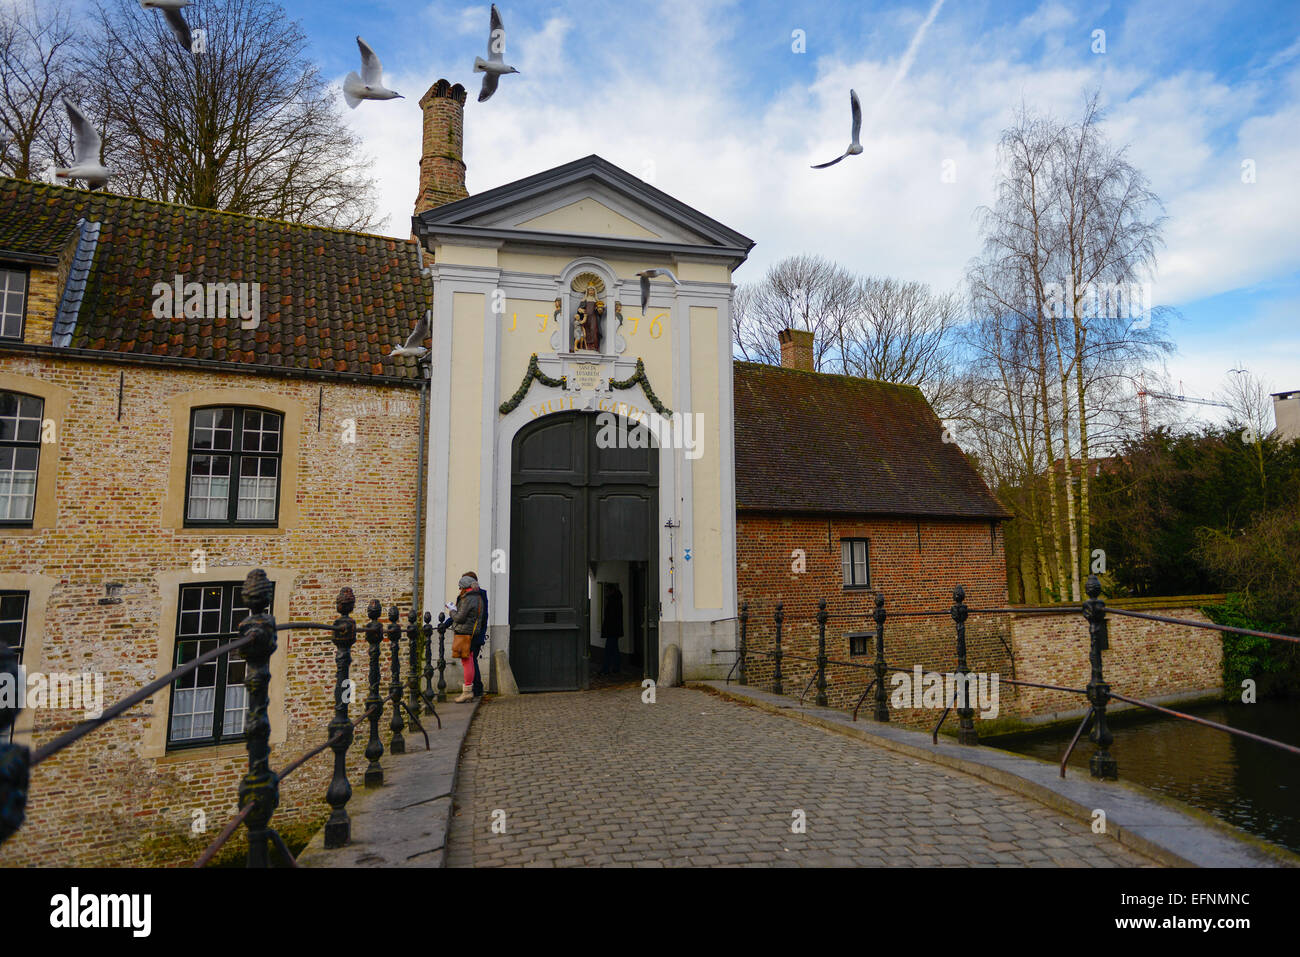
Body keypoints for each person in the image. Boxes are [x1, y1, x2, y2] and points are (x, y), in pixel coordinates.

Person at [450, 574, 483, 703]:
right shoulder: (478, 597)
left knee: (467, 661)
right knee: (470, 660)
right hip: (473, 634)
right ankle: (469, 690)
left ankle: (467, 692)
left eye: (460, 588)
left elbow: (460, 617)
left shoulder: (468, 599)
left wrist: (452, 611)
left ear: (464, 587)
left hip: (465, 634)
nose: (459, 590)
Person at [600, 582, 624, 675]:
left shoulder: (613, 601)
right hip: (614, 629)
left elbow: (610, 617)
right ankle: (615, 668)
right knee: (614, 649)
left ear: (611, 591)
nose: (605, 592)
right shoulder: (616, 600)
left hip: (612, 630)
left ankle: (606, 669)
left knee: (609, 650)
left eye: (606, 591)